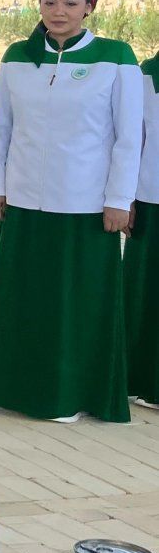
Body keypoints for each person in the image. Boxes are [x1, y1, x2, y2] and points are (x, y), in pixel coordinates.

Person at [0, 0, 143, 423]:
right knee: (21, 300)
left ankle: (69, 395)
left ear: (90, 6)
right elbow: (0, 128)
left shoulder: (115, 57)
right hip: (24, 203)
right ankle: (8, 389)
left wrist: (119, 199)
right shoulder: (17, 57)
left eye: (70, 2)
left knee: (75, 307)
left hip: (85, 207)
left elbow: (128, 137)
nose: (58, 10)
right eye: (50, 1)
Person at [126, 42, 159, 412]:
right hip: (153, 200)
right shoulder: (146, 74)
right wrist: (127, 196)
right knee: (146, 296)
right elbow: (133, 137)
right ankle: (142, 379)